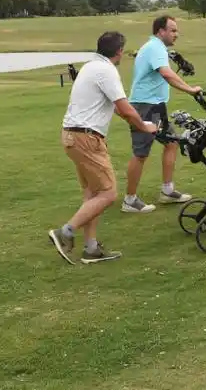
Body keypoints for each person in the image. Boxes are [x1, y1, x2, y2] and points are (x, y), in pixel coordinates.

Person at [48, 31, 159, 265]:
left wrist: (140, 123)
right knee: (108, 194)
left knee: (92, 194)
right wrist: (144, 127)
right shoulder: (107, 70)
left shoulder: (90, 67)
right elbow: (125, 107)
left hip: (71, 136)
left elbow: (116, 108)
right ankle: (66, 231)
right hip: (87, 139)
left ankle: (91, 249)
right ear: (119, 51)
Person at [122, 15, 203, 214]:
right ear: (161, 31)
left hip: (156, 106)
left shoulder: (156, 47)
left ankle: (167, 191)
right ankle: (129, 200)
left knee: (172, 143)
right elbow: (166, 73)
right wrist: (190, 89)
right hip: (144, 107)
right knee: (140, 153)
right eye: (173, 30)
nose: (177, 34)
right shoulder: (155, 47)